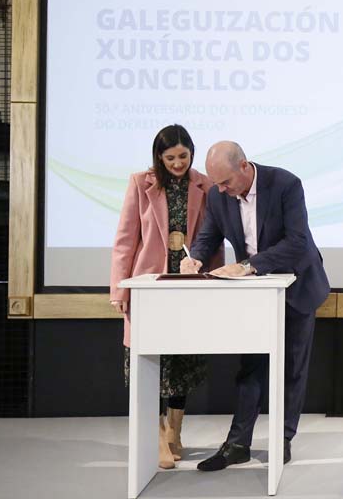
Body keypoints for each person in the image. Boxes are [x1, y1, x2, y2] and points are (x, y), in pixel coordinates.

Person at [182, 141, 330, 470]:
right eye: (216, 183)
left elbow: (297, 242)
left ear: (244, 166)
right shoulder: (218, 195)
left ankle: (282, 439)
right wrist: (196, 258)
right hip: (255, 293)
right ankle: (238, 444)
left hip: (298, 285)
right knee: (251, 367)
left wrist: (248, 265)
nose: (221, 189)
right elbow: (208, 235)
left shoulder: (285, 184)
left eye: (226, 182)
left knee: (292, 367)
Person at [109, 124, 221, 470]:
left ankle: (175, 431)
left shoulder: (205, 185)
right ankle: (157, 436)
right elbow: (125, 239)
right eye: (170, 157)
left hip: (189, 285)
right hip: (149, 286)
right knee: (151, 360)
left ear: (192, 153)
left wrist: (216, 281)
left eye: (183, 156)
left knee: (182, 359)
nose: (177, 163)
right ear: (158, 156)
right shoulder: (140, 183)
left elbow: (213, 239)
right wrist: (119, 288)